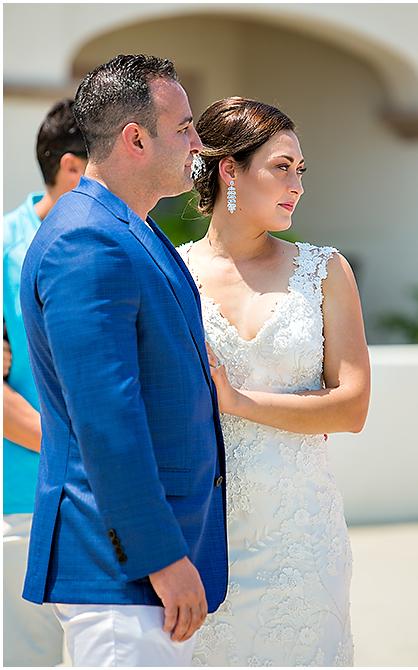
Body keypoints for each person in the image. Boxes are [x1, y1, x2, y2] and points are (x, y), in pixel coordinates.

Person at [19, 54, 228, 666]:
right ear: (136, 138)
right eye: (185, 126)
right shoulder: (88, 238)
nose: (198, 141)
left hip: (143, 579)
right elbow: (106, 419)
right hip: (120, 576)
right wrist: (159, 555)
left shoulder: (131, 227)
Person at [180, 97, 370, 666]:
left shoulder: (325, 270)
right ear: (229, 169)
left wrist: (237, 401)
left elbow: (352, 408)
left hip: (301, 538)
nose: (298, 185)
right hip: (203, 534)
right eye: (281, 167)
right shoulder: (173, 271)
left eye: (300, 170)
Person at [3, 98, 87, 666]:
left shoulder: (132, 240)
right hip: (23, 501)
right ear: (72, 169)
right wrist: (85, 452)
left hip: (113, 504)